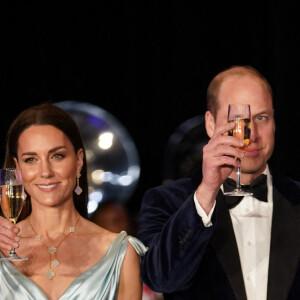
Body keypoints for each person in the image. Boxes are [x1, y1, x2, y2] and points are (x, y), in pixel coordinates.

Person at [138, 65, 300, 300]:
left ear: (274, 121)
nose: (251, 134)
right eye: (238, 119)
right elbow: (163, 279)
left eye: (261, 118)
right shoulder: (165, 201)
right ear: (211, 124)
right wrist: (206, 192)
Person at [0, 103, 147, 300]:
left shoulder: (120, 254)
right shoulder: (2, 250)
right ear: (17, 169)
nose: (45, 172)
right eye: (31, 160)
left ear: (78, 162)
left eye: (57, 156)